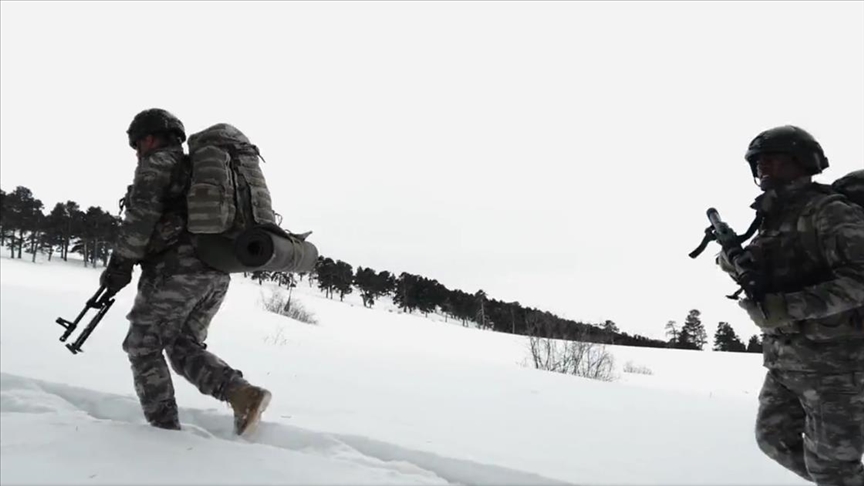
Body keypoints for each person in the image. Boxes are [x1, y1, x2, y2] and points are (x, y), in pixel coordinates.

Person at [100, 108, 271, 436]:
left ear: (149, 139)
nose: (138, 153)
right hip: (216, 271)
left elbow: (140, 218)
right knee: (182, 345)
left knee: (142, 346)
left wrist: (119, 265)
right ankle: (242, 395)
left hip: (176, 274)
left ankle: (163, 434)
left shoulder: (160, 163)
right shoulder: (200, 171)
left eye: (138, 145)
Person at [716, 125, 864, 486]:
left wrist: (788, 307)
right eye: (758, 161)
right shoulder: (775, 215)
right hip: (786, 362)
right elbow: (767, 271)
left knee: (833, 469)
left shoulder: (830, 212)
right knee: (774, 441)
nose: (763, 167)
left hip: (836, 369)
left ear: (802, 161)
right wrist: (732, 258)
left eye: (774, 159)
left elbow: (860, 279)